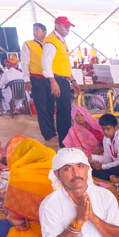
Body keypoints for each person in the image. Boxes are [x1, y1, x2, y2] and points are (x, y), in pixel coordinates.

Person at [39, 16, 76, 146]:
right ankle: (65, 145)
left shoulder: (60, 40)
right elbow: (46, 62)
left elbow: (63, 64)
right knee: (64, 113)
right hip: (57, 80)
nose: (68, 30)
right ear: (57, 26)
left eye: (69, 27)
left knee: (63, 112)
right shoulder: (52, 40)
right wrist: (53, 81)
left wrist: (73, 80)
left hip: (62, 79)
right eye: (66, 27)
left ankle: (64, 143)